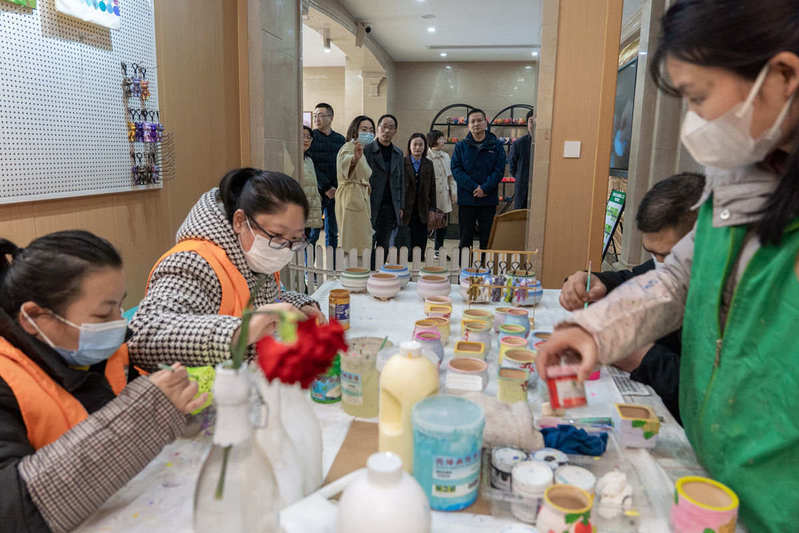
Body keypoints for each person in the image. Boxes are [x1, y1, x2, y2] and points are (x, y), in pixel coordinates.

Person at [536, 2, 799, 531]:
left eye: (699, 98)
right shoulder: (741, 180)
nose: (692, 123)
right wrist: (592, 331)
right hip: (721, 480)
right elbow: (677, 279)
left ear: (782, 77)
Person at [0, 231, 202, 533]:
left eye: (120, 307)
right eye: (103, 314)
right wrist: (145, 413)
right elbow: (12, 509)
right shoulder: (7, 377)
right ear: (33, 317)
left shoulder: (103, 353)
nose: (119, 323)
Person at [130, 168, 322, 370]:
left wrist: (299, 305)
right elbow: (143, 335)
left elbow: (267, 300)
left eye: (295, 239)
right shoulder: (193, 262)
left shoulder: (252, 256)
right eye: (277, 235)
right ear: (240, 221)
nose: (285, 249)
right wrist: (239, 332)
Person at [559, 172, 705, 423]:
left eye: (668, 256)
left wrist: (642, 358)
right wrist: (599, 282)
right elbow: (637, 277)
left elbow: (715, 397)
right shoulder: (671, 263)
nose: (660, 264)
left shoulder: (736, 300)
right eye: (652, 253)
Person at [451, 108, 507, 250]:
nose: (476, 124)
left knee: (487, 240)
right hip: (467, 199)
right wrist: (474, 187)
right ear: (468, 125)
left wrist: (484, 188)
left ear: (485, 123)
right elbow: (456, 169)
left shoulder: (496, 145)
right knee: (465, 239)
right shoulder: (460, 146)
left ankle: (484, 264)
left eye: (479, 120)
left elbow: (499, 170)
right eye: (472, 121)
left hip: (488, 199)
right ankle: (464, 264)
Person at [307, 103, 346, 249]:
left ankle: (333, 262)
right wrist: (326, 187)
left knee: (333, 232)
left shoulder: (340, 140)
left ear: (331, 117)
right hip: (317, 191)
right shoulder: (311, 138)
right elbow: (311, 165)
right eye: (315, 116)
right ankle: (309, 264)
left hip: (335, 192)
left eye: (321, 115)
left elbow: (343, 166)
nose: (317, 119)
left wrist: (335, 187)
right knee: (313, 233)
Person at [364, 114, 404, 254]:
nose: (387, 131)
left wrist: (400, 206)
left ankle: (378, 267)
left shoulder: (398, 153)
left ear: (395, 131)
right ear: (378, 128)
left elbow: (401, 181)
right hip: (370, 204)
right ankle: (368, 267)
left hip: (389, 206)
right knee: (367, 242)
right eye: (384, 126)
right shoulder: (367, 150)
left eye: (391, 127)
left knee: (384, 244)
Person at [335, 115, 375, 252]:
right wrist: (354, 159)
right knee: (351, 242)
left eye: (371, 130)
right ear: (354, 130)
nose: (368, 133)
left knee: (361, 241)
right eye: (364, 129)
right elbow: (346, 163)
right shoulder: (348, 147)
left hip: (360, 197)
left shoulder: (360, 149)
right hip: (351, 197)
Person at [403, 133, 438, 261]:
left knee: (420, 240)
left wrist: (432, 209)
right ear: (410, 146)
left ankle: (418, 262)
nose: (417, 148)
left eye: (420, 145)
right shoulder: (403, 162)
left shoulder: (428, 164)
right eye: (415, 144)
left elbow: (433, 188)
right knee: (406, 242)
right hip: (406, 208)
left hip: (423, 208)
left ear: (425, 147)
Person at [427, 130, 458, 255]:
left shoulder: (445, 156)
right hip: (430, 196)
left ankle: (438, 249)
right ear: (434, 140)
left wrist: (453, 192)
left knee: (442, 224)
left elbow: (450, 177)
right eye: (441, 138)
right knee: (428, 222)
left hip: (444, 195)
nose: (443, 141)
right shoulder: (426, 156)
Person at [508, 109, 536, 210]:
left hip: (540, 188)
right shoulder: (518, 143)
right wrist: (522, 177)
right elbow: (512, 168)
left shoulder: (547, 143)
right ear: (527, 123)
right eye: (531, 121)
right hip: (522, 188)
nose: (534, 124)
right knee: (520, 215)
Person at [302, 125, 323, 246]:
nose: (306, 140)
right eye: (303, 136)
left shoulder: (309, 159)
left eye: (308, 137)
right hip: (298, 210)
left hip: (309, 208)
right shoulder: (291, 158)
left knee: (307, 242)